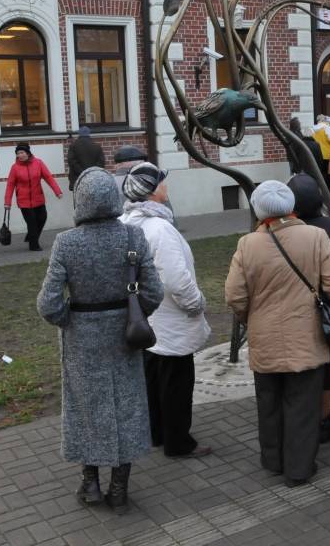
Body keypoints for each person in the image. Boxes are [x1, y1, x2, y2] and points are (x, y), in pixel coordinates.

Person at [36, 167, 164, 513]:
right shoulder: (133, 237)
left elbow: (48, 304)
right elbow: (154, 292)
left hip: (81, 341)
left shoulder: (67, 242)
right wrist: (133, 316)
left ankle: (90, 484)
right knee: (128, 408)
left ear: (80, 201)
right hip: (125, 336)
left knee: (86, 409)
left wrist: (72, 321)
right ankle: (119, 488)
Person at [225, 181, 330, 487]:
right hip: (306, 336)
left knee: (268, 402)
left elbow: (234, 296)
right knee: (303, 405)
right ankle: (299, 467)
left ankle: (273, 459)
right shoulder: (315, 236)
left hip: (264, 336)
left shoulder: (247, 244)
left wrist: (250, 317)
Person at [118, 163, 212, 460]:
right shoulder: (160, 228)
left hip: (145, 319)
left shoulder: (125, 223)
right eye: (162, 182)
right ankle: (179, 442)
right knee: (177, 385)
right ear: (152, 191)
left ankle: (156, 433)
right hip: (171, 319)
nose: (166, 187)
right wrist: (196, 305)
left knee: (153, 379)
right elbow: (175, 278)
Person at [288, 174, 330, 443]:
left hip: (293, 313)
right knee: (325, 370)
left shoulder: (283, 232)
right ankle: (324, 419)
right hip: (327, 311)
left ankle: (301, 421)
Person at [4, 143, 63, 251]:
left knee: (42, 218)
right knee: (31, 222)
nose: (20, 155)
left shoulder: (38, 163)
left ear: (28, 153)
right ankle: (33, 245)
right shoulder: (15, 168)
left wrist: (57, 191)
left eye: (22, 152)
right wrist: (7, 202)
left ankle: (31, 235)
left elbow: (48, 177)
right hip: (24, 201)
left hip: (38, 198)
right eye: (18, 153)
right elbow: (10, 185)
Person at [67, 126, 105, 190]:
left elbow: (71, 161)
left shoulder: (73, 146)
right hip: (93, 180)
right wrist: (92, 173)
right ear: (89, 133)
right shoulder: (97, 146)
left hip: (78, 179)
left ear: (79, 134)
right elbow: (101, 163)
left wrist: (82, 172)